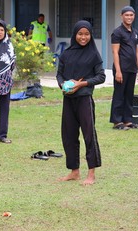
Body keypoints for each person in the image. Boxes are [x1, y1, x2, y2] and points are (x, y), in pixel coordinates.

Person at [56, 20, 106, 186]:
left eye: (86, 34)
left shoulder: (93, 54)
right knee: (69, 135)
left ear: (90, 35)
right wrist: (63, 84)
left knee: (89, 135)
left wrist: (81, 84)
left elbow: (101, 76)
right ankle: (74, 171)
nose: (83, 37)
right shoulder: (66, 54)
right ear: (74, 34)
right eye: (80, 34)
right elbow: (59, 75)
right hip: (68, 100)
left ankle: (91, 173)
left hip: (84, 99)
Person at [110, 6, 138, 130]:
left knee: (129, 95)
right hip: (121, 69)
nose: (129, 17)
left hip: (132, 68)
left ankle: (128, 120)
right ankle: (117, 122)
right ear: (121, 16)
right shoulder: (117, 32)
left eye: (131, 15)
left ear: (134, 16)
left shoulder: (135, 32)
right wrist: (118, 70)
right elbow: (115, 52)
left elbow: (137, 51)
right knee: (119, 95)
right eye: (127, 15)